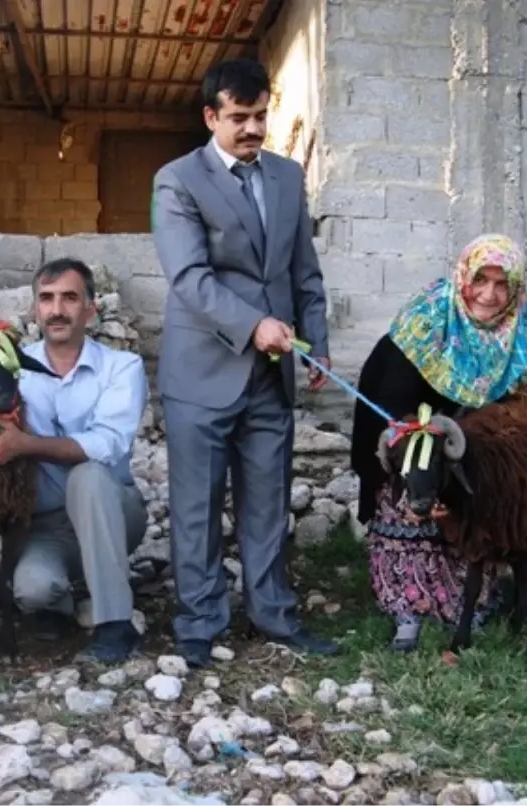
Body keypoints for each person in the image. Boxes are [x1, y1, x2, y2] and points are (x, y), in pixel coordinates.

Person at [150, 58, 338, 668]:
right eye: (240, 117)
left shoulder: (287, 177)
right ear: (212, 117)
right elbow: (189, 277)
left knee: (268, 502)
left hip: (272, 374)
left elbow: (302, 270)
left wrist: (317, 338)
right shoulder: (176, 180)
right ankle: (201, 621)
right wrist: (253, 324)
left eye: (261, 116)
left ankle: (274, 615)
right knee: (198, 506)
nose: (254, 128)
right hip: (202, 371)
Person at [350, 233, 527, 652]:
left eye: (502, 284)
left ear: (516, 287)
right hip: (409, 447)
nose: (489, 294)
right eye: (480, 280)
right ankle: (406, 610)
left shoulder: (523, 329)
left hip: (472, 459)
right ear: (464, 277)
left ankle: (470, 603)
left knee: (476, 512)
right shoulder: (428, 318)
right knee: (412, 506)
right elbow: (391, 402)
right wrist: (413, 467)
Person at [0, 258, 149, 663]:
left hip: (115, 510)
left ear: (90, 308)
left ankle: (115, 625)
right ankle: (76, 600)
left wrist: (24, 444)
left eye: (69, 298)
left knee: (87, 476)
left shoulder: (123, 367)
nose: (57, 309)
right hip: (47, 524)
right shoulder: (14, 365)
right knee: (32, 590)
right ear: (34, 309)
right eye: (46, 299)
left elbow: (107, 444)